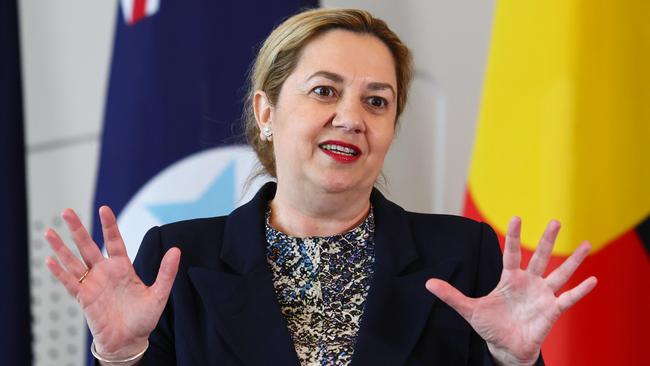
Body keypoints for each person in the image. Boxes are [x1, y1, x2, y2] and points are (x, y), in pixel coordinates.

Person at [44, 8, 596, 366]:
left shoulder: (462, 254)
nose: (352, 117)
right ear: (267, 111)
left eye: (376, 101)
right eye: (325, 91)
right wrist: (122, 357)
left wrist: (513, 363)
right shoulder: (178, 259)